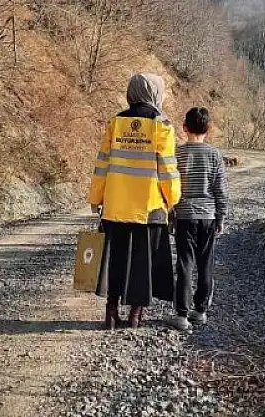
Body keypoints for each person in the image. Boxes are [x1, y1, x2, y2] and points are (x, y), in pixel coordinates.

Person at [88, 73, 181, 330]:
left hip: (115, 205)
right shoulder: (162, 125)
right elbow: (167, 169)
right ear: (155, 93)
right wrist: (173, 199)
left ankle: (111, 311)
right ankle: (135, 315)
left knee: (116, 259)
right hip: (149, 207)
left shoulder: (115, 123)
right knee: (143, 263)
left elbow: (102, 164)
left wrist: (96, 197)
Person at [167, 107, 229, 331]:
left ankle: (181, 314)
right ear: (208, 129)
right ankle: (200, 311)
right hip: (208, 216)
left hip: (184, 215)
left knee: (184, 263)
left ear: (184, 127)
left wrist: (170, 214)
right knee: (206, 263)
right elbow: (220, 190)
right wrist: (221, 216)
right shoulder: (215, 155)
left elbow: (171, 187)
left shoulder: (177, 153)